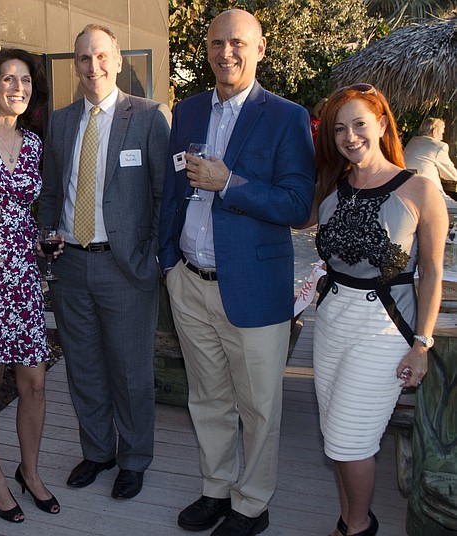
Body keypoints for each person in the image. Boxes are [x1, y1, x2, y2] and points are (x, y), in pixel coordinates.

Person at [158, 9, 315, 536]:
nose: (227, 52)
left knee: (260, 406)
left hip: (252, 288)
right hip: (189, 281)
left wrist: (230, 183)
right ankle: (216, 488)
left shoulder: (286, 116)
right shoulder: (189, 110)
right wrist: (168, 262)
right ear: (206, 48)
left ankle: (252, 503)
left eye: (238, 43)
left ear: (261, 48)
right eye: (217, 43)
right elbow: (171, 189)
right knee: (207, 400)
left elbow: (297, 204)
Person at [38, 24, 171, 501]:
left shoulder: (151, 117)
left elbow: (163, 197)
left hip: (126, 268)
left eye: (100, 57)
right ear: (74, 66)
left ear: (117, 61)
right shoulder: (60, 120)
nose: (91, 68)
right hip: (71, 267)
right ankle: (98, 451)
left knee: (131, 371)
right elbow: (52, 190)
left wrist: (150, 257)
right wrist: (46, 232)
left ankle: (134, 459)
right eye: (82, 59)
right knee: (84, 367)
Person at [310, 84, 447, 536]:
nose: (350, 136)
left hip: (384, 329)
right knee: (337, 438)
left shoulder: (421, 191)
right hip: (330, 323)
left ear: (383, 124)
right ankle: (350, 521)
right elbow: (292, 215)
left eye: (360, 124)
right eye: (340, 129)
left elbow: (431, 273)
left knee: (351, 442)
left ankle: (357, 526)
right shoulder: (333, 189)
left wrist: (422, 344)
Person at [0, 48, 56, 524]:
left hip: (23, 271)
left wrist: (44, 240)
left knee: (34, 382)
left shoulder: (36, 143)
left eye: (24, 81)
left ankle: (31, 471)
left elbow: (31, 211)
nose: (17, 88)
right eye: (7, 79)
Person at [403, 117, 457, 192]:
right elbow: (451, 175)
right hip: (428, 192)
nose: (441, 138)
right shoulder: (438, 146)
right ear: (434, 132)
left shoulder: (412, 142)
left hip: (406, 189)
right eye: (441, 133)